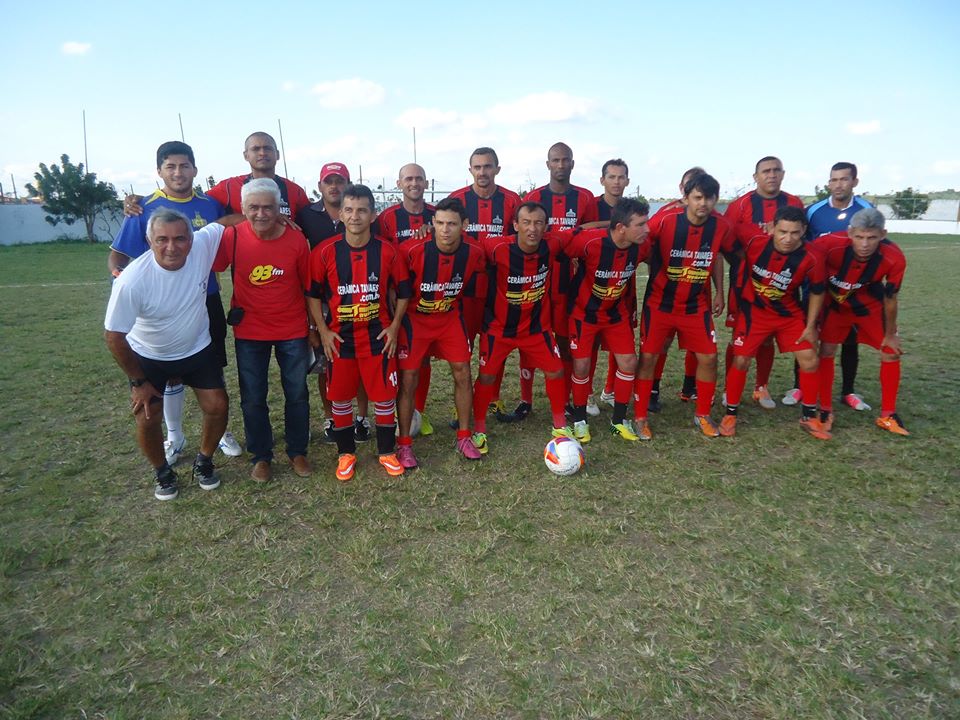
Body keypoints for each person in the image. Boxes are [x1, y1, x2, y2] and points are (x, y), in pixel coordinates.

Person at [108, 140, 242, 465]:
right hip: (158, 308)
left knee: (208, 368)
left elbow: (231, 222)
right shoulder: (143, 207)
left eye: (184, 166)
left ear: (195, 170)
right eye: (171, 166)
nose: (178, 172)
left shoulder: (209, 204)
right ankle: (174, 434)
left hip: (203, 297)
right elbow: (118, 255)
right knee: (167, 374)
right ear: (159, 171)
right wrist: (121, 278)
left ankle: (218, 430)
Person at [104, 208, 228, 501]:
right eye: (162, 239)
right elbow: (114, 337)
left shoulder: (203, 245)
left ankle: (204, 461)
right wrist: (138, 382)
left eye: (179, 239)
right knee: (147, 418)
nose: (171, 247)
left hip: (197, 347)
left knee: (218, 406)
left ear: (190, 239)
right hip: (150, 356)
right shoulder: (132, 280)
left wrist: (271, 215)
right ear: (149, 241)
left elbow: (224, 222)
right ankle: (162, 471)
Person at [212, 178, 314, 483]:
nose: (260, 214)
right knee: (253, 397)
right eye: (253, 207)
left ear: (279, 208)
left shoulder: (297, 240)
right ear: (243, 209)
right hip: (250, 332)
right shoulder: (231, 237)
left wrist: (312, 327)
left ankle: (297, 451)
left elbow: (308, 287)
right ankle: (261, 456)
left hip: (292, 328)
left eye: (268, 207)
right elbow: (209, 265)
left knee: (296, 393)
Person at [308, 183, 411, 482]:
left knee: (384, 397)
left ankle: (386, 452)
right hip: (340, 340)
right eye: (349, 210)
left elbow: (404, 292)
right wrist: (323, 330)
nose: (355, 216)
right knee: (340, 398)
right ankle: (346, 454)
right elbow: (312, 294)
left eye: (362, 210)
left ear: (373, 214)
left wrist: (394, 325)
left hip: (378, 338)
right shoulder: (325, 252)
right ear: (340, 214)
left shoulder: (388, 252)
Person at [633, 172, 735, 440]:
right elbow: (642, 244)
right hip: (660, 303)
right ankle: (640, 416)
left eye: (709, 198)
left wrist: (719, 292)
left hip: (695, 305)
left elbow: (718, 256)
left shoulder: (720, 227)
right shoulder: (666, 221)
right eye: (698, 197)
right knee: (648, 358)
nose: (704, 204)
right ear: (686, 198)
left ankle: (702, 414)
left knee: (709, 357)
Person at [718, 206, 831, 440]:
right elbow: (726, 223)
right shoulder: (754, 242)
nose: (788, 238)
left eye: (795, 233)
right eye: (782, 231)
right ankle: (730, 414)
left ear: (804, 231)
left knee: (809, 359)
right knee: (741, 359)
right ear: (771, 228)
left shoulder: (813, 257)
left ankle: (809, 415)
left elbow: (818, 292)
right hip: (754, 313)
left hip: (787, 313)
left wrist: (810, 326)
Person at [471, 202, 576, 453]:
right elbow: (463, 243)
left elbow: (582, 231)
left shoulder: (552, 243)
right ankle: (478, 427)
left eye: (539, 223)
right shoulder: (496, 247)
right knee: (486, 376)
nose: (532, 229)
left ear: (546, 226)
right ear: (515, 225)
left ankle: (560, 425)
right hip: (498, 329)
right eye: (526, 223)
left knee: (556, 371)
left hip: (536, 328)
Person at [395, 197, 486, 467]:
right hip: (415, 320)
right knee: (409, 376)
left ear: (464, 225)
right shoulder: (411, 250)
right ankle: (404, 445)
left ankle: (464, 436)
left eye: (452, 224)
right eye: (440, 223)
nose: (445, 230)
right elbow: (395, 288)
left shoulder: (475, 252)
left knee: (463, 371)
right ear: (432, 223)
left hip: (448, 317)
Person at [783, 161, 875, 411]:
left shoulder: (866, 210)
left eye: (843, 179)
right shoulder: (814, 211)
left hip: (851, 288)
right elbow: (803, 245)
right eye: (833, 180)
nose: (838, 185)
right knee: (807, 334)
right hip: (816, 287)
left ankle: (848, 391)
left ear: (855, 182)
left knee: (849, 339)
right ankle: (799, 385)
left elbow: (874, 246)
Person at [517, 143, 599, 420]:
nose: (561, 165)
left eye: (565, 160)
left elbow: (592, 233)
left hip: (569, 284)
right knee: (529, 341)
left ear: (572, 164)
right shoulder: (534, 196)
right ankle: (525, 400)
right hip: (536, 282)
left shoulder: (585, 198)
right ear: (548, 164)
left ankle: (565, 400)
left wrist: (578, 234)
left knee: (564, 343)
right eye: (556, 160)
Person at [813, 208, 909, 435]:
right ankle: (825, 409)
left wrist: (891, 332)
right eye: (859, 237)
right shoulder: (828, 244)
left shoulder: (894, 257)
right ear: (850, 233)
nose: (865, 243)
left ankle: (888, 415)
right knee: (826, 350)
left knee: (890, 351)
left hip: (868, 305)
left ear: (883, 234)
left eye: (872, 237)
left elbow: (891, 296)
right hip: (834, 305)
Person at [295, 162, 371, 443]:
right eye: (330, 181)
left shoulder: (358, 213)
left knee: (362, 361)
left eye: (340, 181)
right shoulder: (306, 216)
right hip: (322, 300)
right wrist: (314, 325)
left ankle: (362, 418)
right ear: (320, 186)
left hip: (359, 295)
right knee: (324, 365)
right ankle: (332, 419)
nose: (335, 186)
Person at [722, 156, 804, 410]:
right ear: (755, 176)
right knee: (739, 336)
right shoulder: (740, 206)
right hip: (745, 284)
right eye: (766, 171)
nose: (771, 175)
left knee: (767, 338)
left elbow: (801, 241)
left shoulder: (794, 203)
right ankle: (729, 387)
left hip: (783, 285)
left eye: (776, 170)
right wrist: (748, 263)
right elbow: (726, 242)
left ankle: (761, 387)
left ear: (783, 174)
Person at [565, 198, 649, 442]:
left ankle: (618, 421)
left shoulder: (641, 246)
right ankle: (580, 421)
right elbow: (562, 247)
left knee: (629, 362)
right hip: (583, 314)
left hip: (615, 314)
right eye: (641, 224)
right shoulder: (590, 243)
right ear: (621, 227)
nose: (647, 230)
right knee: (581, 366)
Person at [448, 147, 522, 422]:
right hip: (464, 288)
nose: (483, 172)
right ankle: (461, 406)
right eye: (477, 167)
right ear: (470, 171)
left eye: (488, 166)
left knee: (495, 346)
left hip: (500, 286)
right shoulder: (456, 200)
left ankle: (493, 398)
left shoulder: (512, 200)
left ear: (497, 169)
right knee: (463, 348)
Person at [375, 163, 437, 435]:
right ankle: (399, 409)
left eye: (419, 179)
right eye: (408, 179)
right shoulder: (387, 218)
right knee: (400, 359)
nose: (414, 183)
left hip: (429, 299)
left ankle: (417, 413)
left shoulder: (438, 215)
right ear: (399, 184)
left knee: (422, 360)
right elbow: (377, 255)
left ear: (426, 183)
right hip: (396, 300)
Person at [205, 131, 311, 220]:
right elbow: (197, 204)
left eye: (268, 148)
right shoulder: (228, 187)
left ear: (277, 154)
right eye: (256, 149)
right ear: (246, 155)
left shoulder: (295, 191)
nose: (262, 153)